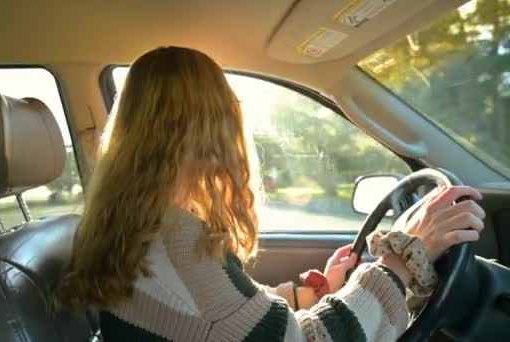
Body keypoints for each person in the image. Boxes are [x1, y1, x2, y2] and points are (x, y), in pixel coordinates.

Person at [59, 46, 486, 341]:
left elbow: (216, 323)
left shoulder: (130, 229)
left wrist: (308, 292)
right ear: (214, 130)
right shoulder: (175, 240)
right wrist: (403, 257)